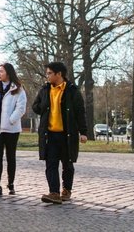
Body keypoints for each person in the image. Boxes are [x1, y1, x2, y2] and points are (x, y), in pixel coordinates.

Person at [32, 61, 88, 204]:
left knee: (67, 164)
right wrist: (44, 105)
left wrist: (83, 132)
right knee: (50, 164)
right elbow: (35, 107)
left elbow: (80, 112)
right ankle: (54, 192)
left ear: (59, 74)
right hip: (49, 134)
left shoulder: (72, 90)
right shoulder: (45, 89)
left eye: (50, 73)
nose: (47, 76)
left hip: (67, 134)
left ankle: (66, 190)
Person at [0, 63, 27, 196]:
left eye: (1, 71)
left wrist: (10, 120)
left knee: (10, 156)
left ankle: (11, 183)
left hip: (11, 129)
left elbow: (21, 108)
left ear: (8, 72)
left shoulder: (18, 89)